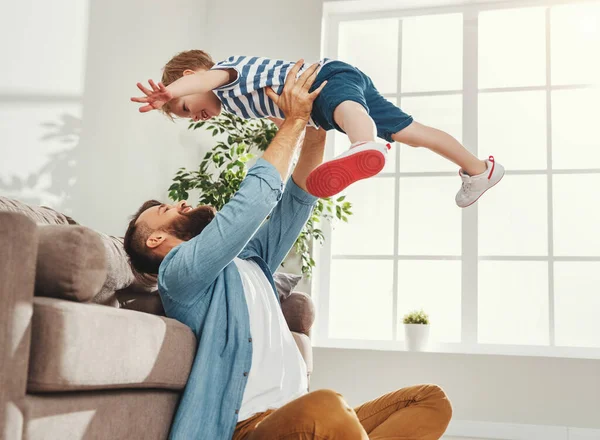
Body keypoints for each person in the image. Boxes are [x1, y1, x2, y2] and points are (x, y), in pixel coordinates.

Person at [124, 61, 452, 440]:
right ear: (154, 241)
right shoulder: (179, 274)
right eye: (166, 209)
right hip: (251, 427)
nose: (181, 203)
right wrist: (292, 122)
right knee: (325, 407)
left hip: (300, 417)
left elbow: (299, 198)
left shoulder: (247, 261)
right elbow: (255, 201)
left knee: (428, 400)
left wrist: (314, 124)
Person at [131, 50, 504, 207]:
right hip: (320, 104)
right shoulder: (237, 104)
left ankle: (364, 143)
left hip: (324, 77)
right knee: (411, 133)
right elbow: (282, 116)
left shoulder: (226, 74)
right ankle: (478, 168)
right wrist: (290, 131)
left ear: (191, 77)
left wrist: (167, 94)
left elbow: (204, 80)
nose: (193, 115)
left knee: (346, 109)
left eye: (184, 108)